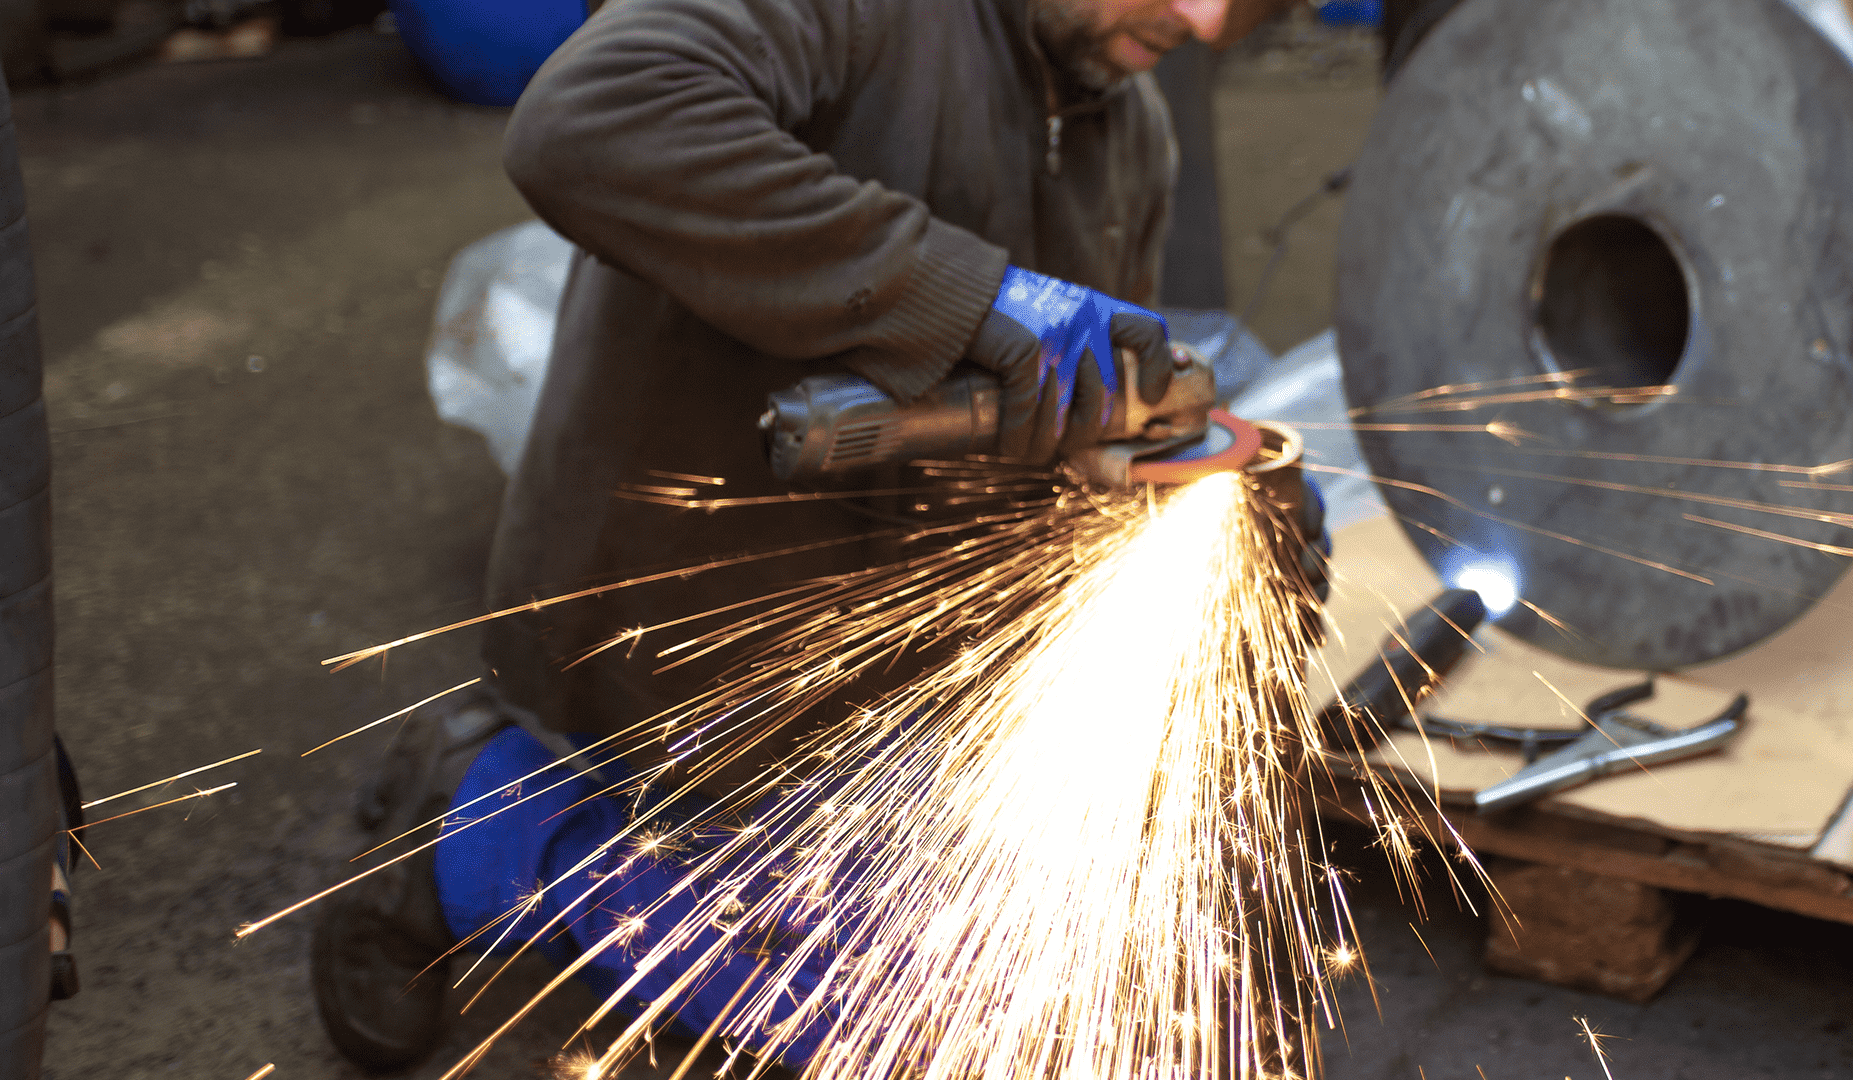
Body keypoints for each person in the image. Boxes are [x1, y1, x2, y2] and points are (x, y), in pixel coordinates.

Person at [310, 0, 1316, 1072]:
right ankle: (483, 821)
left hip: (899, 659)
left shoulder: (1132, 130)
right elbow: (589, 118)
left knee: (1067, 947)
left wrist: (1169, 484)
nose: (1206, 23)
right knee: (896, 1028)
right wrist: (973, 297)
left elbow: (1062, 432)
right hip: (681, 632)